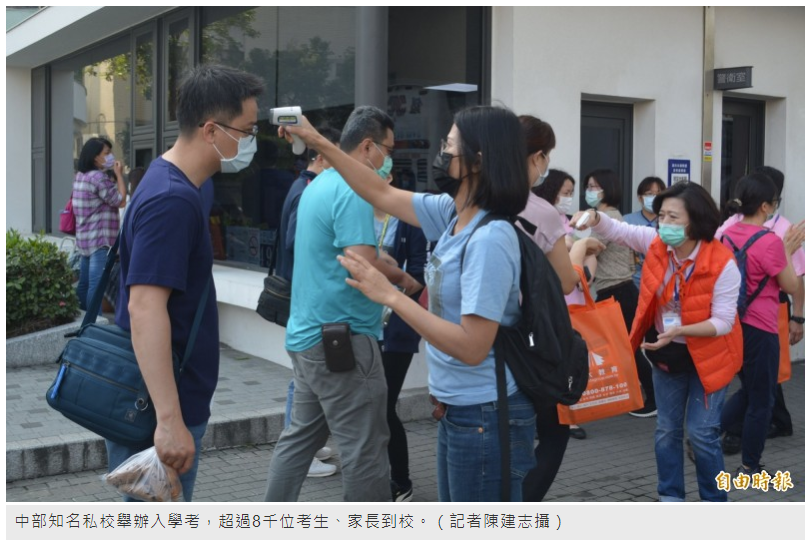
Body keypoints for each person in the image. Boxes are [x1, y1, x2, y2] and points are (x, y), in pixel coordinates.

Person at [284, 105, 538, 502]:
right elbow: (378, 191)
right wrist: (315, 140)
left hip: (486, 412)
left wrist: (391, 295)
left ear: (477, 160)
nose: (441, 153)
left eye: (449, 145)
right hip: (458, 408)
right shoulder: (452, 213)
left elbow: (473, 346)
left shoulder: (490, 238)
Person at [111, 64, 265, 501]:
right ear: (211, 130)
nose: (251, 142)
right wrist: (169, 421)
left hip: (155, 400)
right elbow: (144, 308)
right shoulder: (172, 199)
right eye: (247, 131)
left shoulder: (167, 181)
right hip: (154, 411)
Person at [263, 106, 422, 502]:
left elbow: (343, 251)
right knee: (365, 448)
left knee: (299, 439)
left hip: (309, 336)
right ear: (367, 147)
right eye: (387, 150)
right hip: (343, 341)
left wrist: (384, 263)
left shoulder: (319, 184)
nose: (389, 159)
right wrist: (401, 278)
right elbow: (360, 260)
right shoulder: (353, 190)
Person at [574, 181, 743, 502]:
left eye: (673, 218)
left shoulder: (722, 263)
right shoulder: (657, 244)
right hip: (666, 354)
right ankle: (670, 497)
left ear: (696, 220)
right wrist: (594, 217)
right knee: (667, 430)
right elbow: (620, 231)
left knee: (702, 433)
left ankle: (714, 502)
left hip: (710, 357)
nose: (664, 224)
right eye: (661, 216)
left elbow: (724, 322)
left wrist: (681, 331)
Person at [516, 116, 604, 502]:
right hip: (537, 339)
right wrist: (581, 249)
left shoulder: (473, 202)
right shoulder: (542, 213)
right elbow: (566, 281)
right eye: (546, 156)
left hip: (487, 346)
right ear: (536, 157)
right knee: (551, 433)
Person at [717, 173, 802, 477]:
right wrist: (787, 251)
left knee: (749, 390)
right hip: (762, 328)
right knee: (762, 400)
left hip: (733, 324)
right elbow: (791, 285)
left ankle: (704, 435)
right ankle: (750, 465)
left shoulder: (726, 235)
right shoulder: (769, 241)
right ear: (766, 206)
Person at [273, 127, 343, 479]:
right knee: (302, 378)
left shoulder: (303, 185)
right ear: (321, 155)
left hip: (303, 295)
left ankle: (309, 446)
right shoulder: (307, 190)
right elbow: (293, 241)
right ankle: (303, 451)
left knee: (304, 376)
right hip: (303, 296)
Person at [583, 169, 656, 417]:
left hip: (617, 290)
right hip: (619, 289)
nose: (590, 191)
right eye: (588, 186)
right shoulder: (613, 216)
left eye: (595, 186)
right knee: (625, 348)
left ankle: (653, 398)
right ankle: (643, 394)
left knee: (627, 349)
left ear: (608, 188)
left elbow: (592, 250)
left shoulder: (605, 219)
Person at [374, 178, 428, 502]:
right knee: (368, 405)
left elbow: (419, 279)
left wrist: (385, 268)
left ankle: (402, 481)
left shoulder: (409, 222)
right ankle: (375, 474)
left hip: (396, 327)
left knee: (384, 405)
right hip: (361, 325)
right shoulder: (354, 213)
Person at [72, 137, 127, 310]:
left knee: (84, 284)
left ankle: (83, 318)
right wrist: (119, 175)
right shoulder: (98, 178)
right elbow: (120, 201)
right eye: (107, 153)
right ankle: (93, 321)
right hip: (99, 241)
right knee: (96, 287)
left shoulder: (80, 176)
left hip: (84, 240)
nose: (111, 156)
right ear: (95, 156)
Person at [624, 176, 665, 289]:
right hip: (632, 283)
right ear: (640, 198)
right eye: (649, 194)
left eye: (658, 194)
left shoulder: (669, 222)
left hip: (662, 283)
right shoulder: (627, 220)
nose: (654, 197)